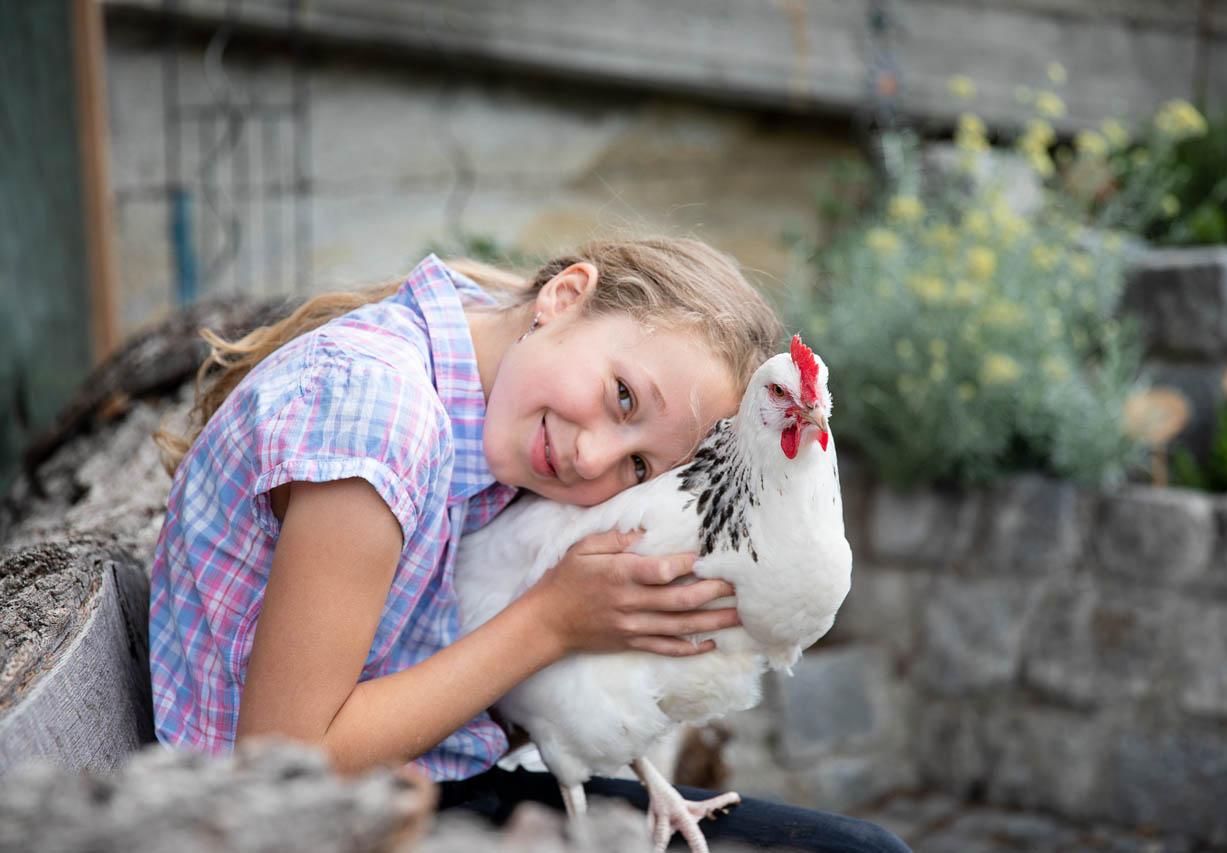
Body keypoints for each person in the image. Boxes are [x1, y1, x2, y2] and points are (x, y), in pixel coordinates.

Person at [150, 236, 909, 852]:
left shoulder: (493, 385)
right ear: (564, 295)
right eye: (623, 397)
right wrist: (551, 622)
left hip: (421, 787)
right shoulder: (382, 418)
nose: (594, 458)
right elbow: (280, 759)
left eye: (639, 465)